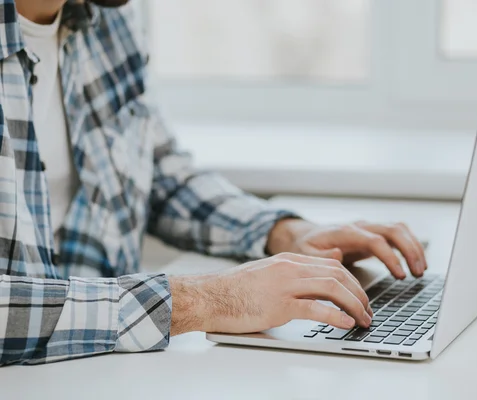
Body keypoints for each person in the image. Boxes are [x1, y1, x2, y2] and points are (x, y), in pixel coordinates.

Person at [0, 0, 427, 366]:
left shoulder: (105, 19)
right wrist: (202, 300)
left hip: (100, 369)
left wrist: (284, 233)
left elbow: (155, 173)